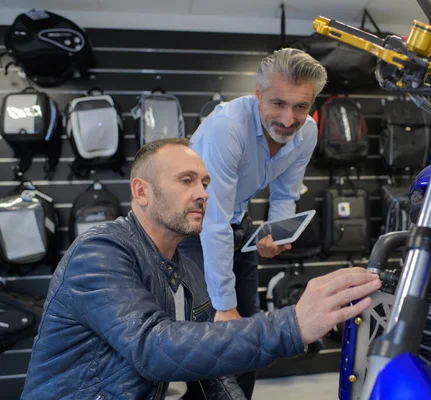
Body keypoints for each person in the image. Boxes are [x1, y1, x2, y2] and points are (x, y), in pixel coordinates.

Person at [21, 138, 381, 400]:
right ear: (141, 191)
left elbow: (212, 373)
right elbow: (153, 347)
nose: (204, 193)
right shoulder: (99, 252)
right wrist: (292, 324)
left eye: (205, 183)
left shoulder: (188, 271)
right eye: (186, 180)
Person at [178, 48, 326, 397]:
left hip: (236, 224)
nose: (288, 119)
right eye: (278, 103)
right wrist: (223, 306)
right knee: (211, 345)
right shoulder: (226, 128)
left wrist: (275, 232)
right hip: (194, 232)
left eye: (301, 106)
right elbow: (211, 224)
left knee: (249, 342)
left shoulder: (308, 132)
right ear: (258, 94)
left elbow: (286, 192)